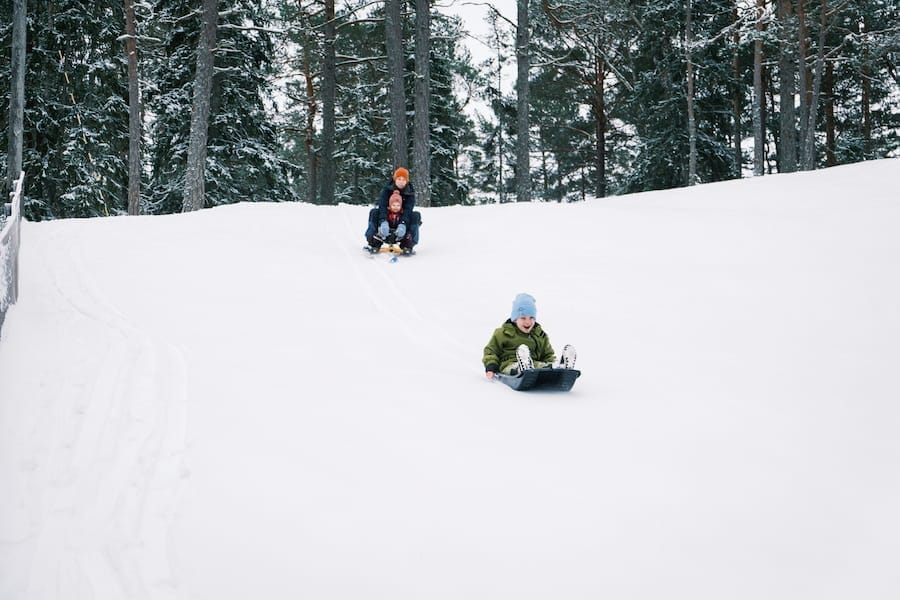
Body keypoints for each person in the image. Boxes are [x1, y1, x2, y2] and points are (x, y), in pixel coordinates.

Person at [482, 293, 576, 378]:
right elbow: (491, 351)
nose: (528, 322)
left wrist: (551, 363)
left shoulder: (540, 335)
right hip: (509, 365)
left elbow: (548, 354)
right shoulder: (503, 333)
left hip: (536, 366)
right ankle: (522, 368)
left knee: (542, 366)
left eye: (531, 318)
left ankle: (561, 367)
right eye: (523, 318)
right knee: (514, 367)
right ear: (515, 319)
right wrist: (491, 366)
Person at [365, 167, 421, 252]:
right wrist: (383, 221)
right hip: (388, 217)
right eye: (399, 179)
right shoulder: (387, 190)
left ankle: (408, 245)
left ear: (407, 181)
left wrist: (403, 224)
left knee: (415, 216)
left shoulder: (410, 192)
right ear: (395, 179)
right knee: (374, 212)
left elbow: (408, 210)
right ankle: (373, 242)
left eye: (403, 179)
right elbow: (382, 206)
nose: (401, 182)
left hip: (401, 219)